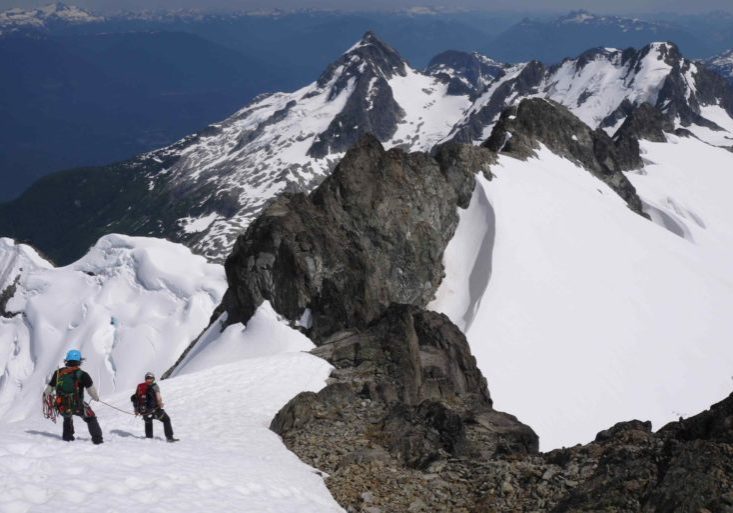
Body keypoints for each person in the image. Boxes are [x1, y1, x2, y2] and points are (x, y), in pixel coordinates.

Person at [43, 349, 104, 445]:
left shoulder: (58, 373)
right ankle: (97, 439)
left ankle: (67, 437)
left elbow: (50, 388)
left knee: (67, 417)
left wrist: (45, 395)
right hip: (77, 405)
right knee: (90, 417)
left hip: (61, 404)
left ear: (67, 360)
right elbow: (91, 390)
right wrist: (96, 398)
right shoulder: (83, 375)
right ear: (79, 361)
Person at [132, 372, 178, 442]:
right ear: (153, 379)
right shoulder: (155, 386)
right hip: (155, 410)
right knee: (166, 419)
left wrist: (136, 410)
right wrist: (160, 404)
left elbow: (135, 398)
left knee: (148, 422)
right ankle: (169, 437)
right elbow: (158, 398)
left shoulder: (140, 387)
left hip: (144, 411)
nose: (149, 380)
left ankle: (149, 438)